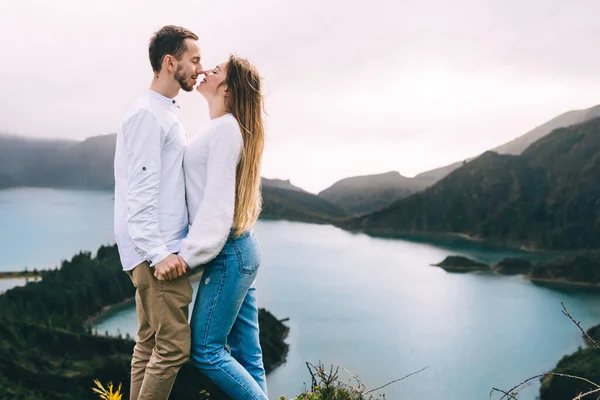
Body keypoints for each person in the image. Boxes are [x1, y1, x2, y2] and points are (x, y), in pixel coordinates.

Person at [113, 25, 203, 400]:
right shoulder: (149, 116)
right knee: (172, 347)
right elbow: (141, 192)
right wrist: (159, 252)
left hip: (154, 249)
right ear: (170, 63)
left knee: (149, 344)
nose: (201, 68)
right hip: (157, 253)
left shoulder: (163, 113)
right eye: (194, 59)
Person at [177, 55, 268, 400]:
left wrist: (187, 256)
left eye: (215, 71)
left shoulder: (226, 129)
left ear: (228, 89)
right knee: (248, 355)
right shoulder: (222, 128)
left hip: (229, 253)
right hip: (238, 250)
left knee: (205, 350)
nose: (204, 71)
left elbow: (216, 203)